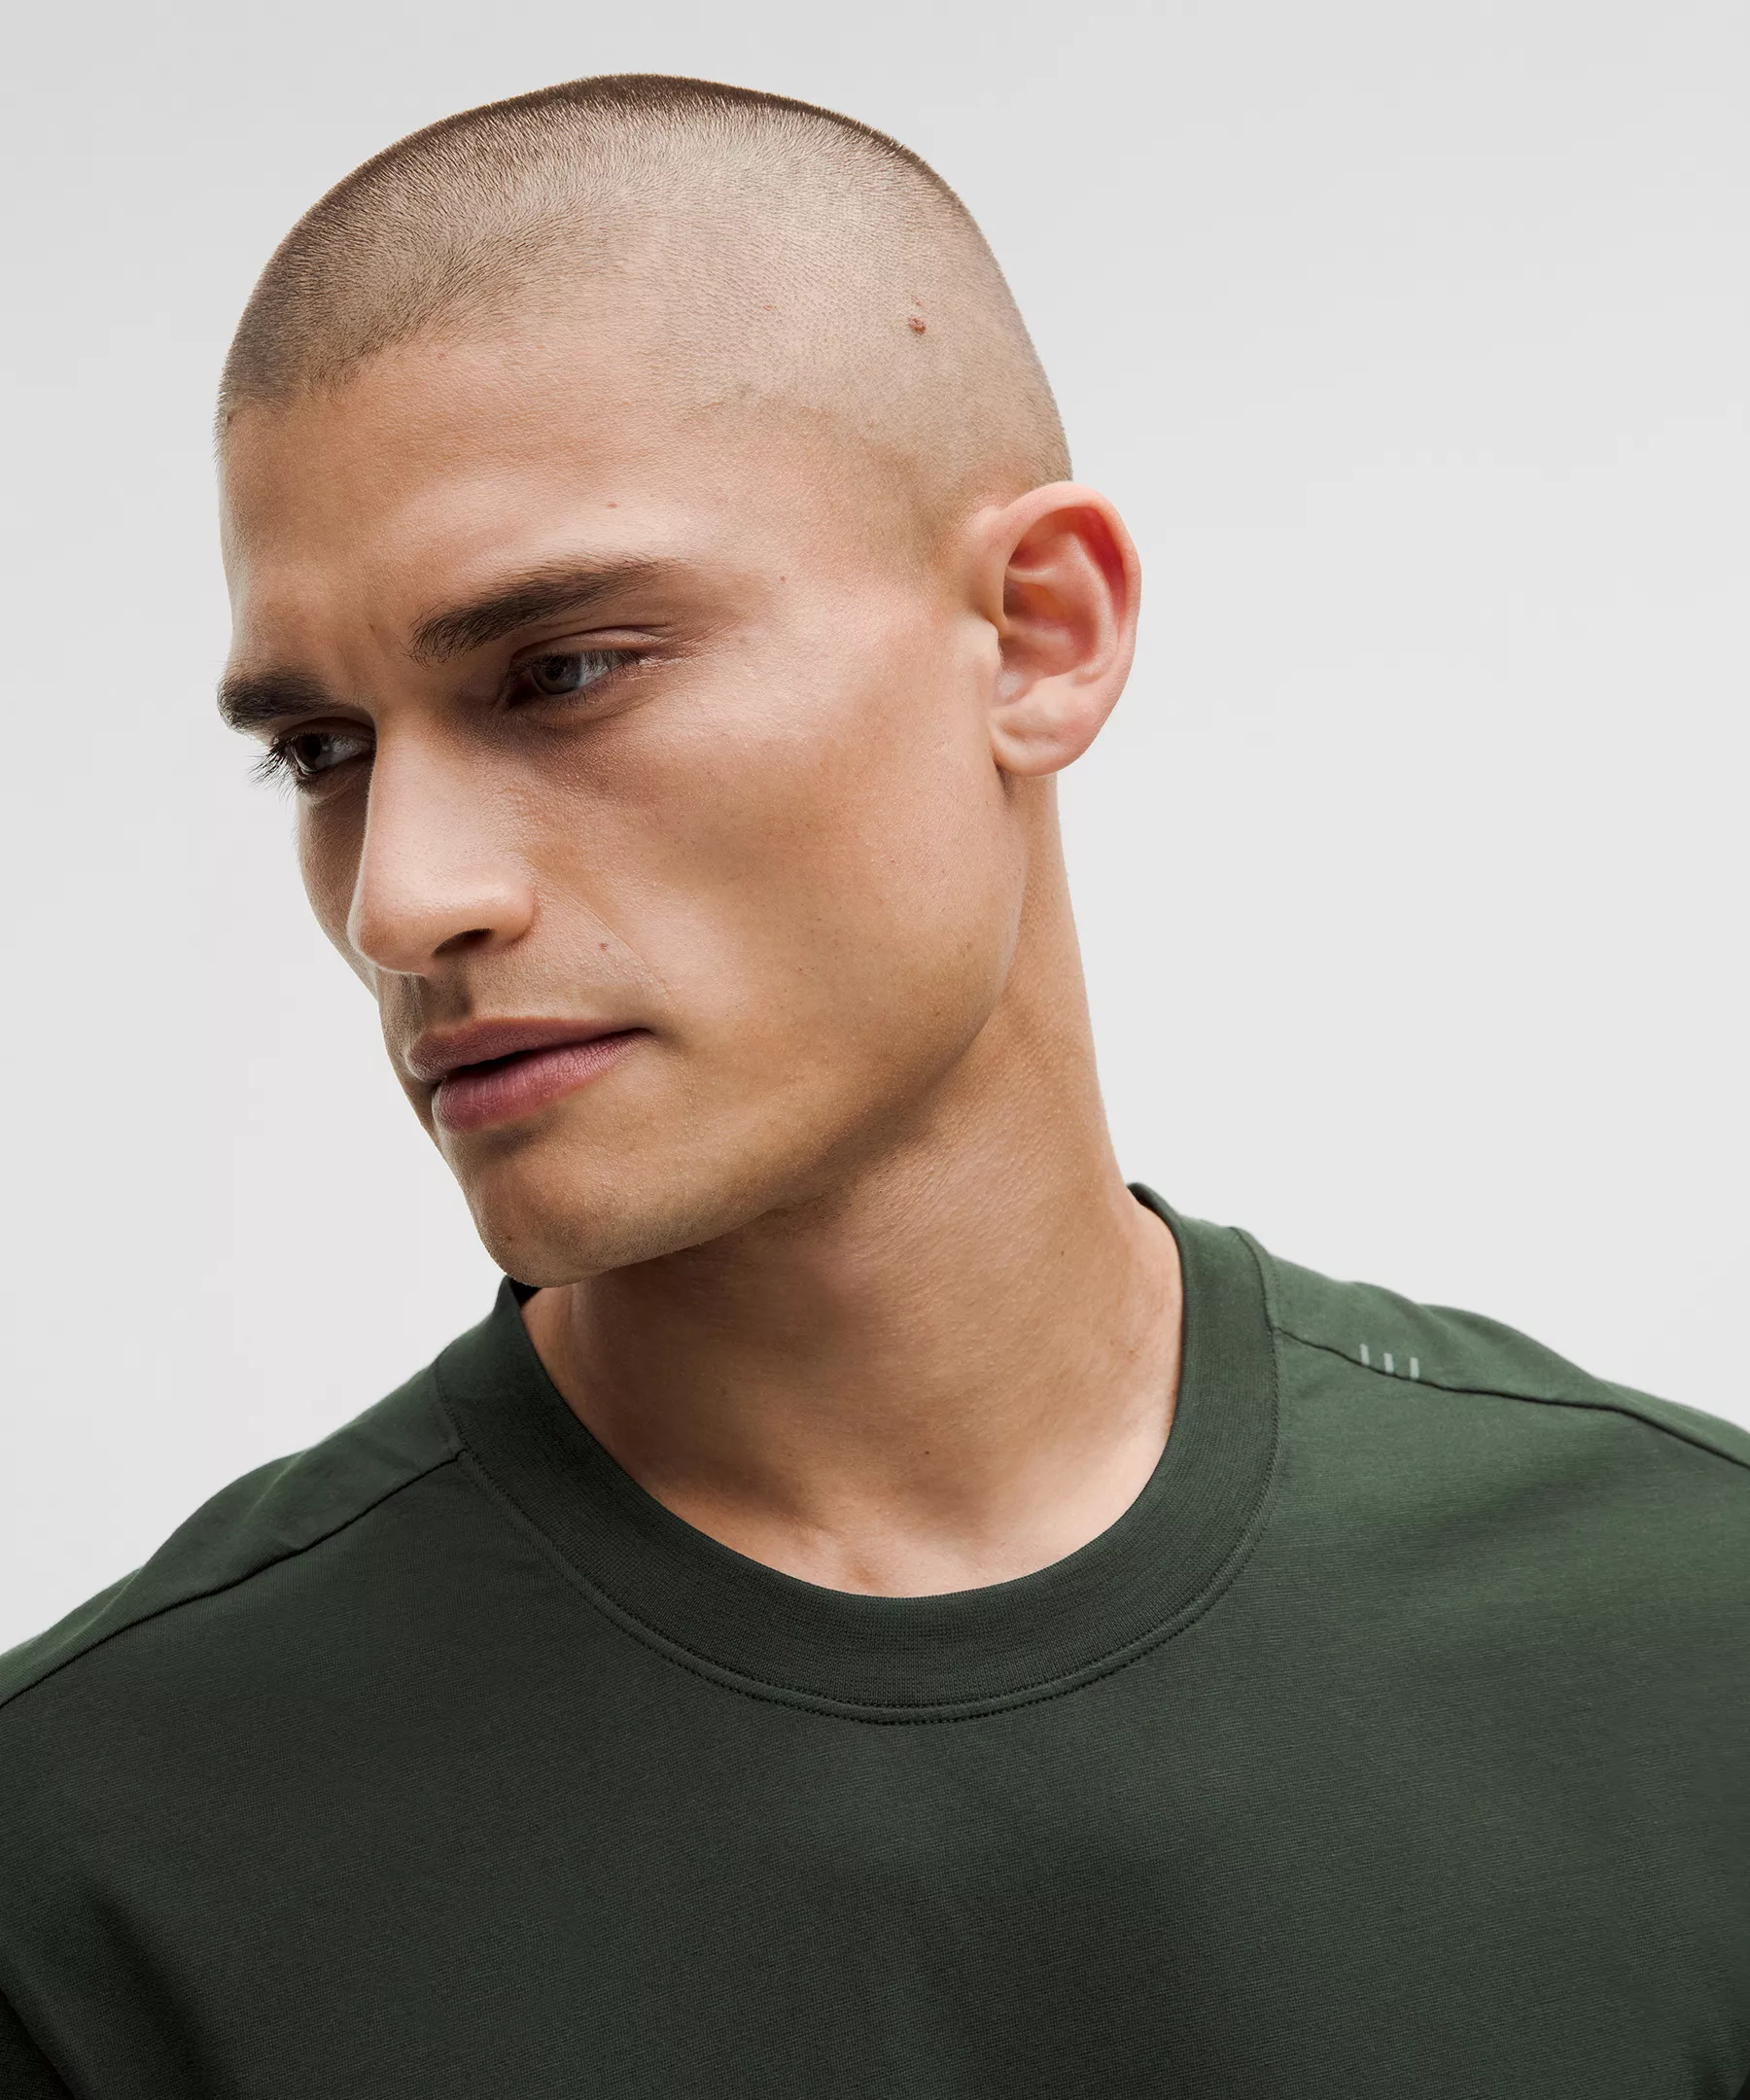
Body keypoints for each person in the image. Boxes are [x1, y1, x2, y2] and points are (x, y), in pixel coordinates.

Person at [1, 73, 1745, 2100]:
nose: (403, 898)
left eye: (562, 672)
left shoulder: (1690, 1646)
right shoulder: (90, 1861)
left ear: (1036, 633)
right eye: (323, 752)